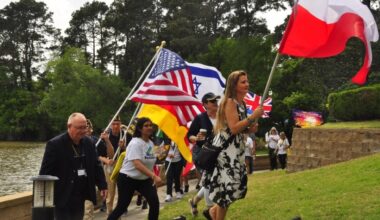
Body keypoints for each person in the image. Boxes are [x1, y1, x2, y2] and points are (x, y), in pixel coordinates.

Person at [203, 70, 263, 220]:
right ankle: (214, 214)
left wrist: (250, 128)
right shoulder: (230, 102)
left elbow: (240, 129)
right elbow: (234, 128)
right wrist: (252, 117)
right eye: (243, 82)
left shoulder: (242, 103)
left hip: (236, 152)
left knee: (234, 189)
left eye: (247, 81)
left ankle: (212, 212)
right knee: (227, 193)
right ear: (234, 85)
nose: (247, 84)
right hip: (226, 154)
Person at [39, 113, 107, 220]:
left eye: (85, 127)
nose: (83, 131)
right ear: (69, 126)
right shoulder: (55, 145)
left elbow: (96, 165)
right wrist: (44, 199)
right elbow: (44, 173)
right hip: (62, 196)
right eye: (79, 128)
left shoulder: (89, 143)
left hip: (80, 195)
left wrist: (102, 185)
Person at [107, 117, 162, 220]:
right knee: (122, 207)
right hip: (128, 179)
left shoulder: (151, 143)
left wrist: (164, 151)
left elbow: (154, 159)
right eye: (146, 126)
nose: (149, 127)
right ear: (140, 129)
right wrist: (154, 176)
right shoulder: (135, 143)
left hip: (144, 179)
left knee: (154, 203)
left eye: (150, 125)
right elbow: (137, 164)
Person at [187, 92, 220, 216]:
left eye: (216, 100)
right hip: (203, 154)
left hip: (217, 153)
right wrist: (196, 138)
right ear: (205, 104)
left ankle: (194, 201)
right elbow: (189, 135)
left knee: (210, 179)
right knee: (208, 179)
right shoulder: (200, 118)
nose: (216, 103)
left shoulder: (221, 117)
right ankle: (210, 208)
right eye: (212, 101)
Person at [98, 115, 129, 214]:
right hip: (110, 165)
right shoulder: (105, 136)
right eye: (113, 124)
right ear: (110, 125)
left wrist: (124, 147)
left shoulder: (126, 135)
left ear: (121, 124)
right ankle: (110, 213)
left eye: (118, 124)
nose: (116, 126)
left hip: (123, 165)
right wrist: (107, 140)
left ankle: (118, 212)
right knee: (110, 194)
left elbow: (132, 153)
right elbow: (101, 155)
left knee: (122, 191)